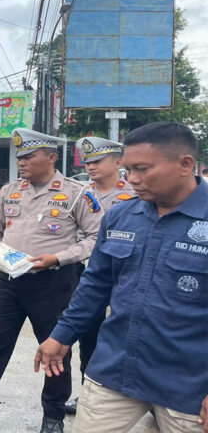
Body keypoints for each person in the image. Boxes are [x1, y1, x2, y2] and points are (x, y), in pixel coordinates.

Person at [35, 122, 208, 433]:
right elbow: (96, 285)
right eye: (128, 169)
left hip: (190, 382)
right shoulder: (120, 216)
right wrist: (61, 336)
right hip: (115, 369)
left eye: (142, 169)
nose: (131, 179)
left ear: (185, 165)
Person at [0, 128, 103, 433]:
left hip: (54, 284)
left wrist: (57, 257)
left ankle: (53, 415)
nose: (22, 162)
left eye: (29, 156)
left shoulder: (78, 193)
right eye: (19, 157)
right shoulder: (9, 191)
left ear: (51, 157)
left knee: (55, 352)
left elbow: (95, 239)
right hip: (9, 283)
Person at [64, 136, 136, 415]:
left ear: (118, 163)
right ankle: (89, 397)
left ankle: (149, 400)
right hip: (90, 275)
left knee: (131, 338)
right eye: (88, 162)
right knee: (89, 340)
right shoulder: (79, 194)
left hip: (128, 276)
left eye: (97, 161)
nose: (90, 167)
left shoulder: (136, 192)